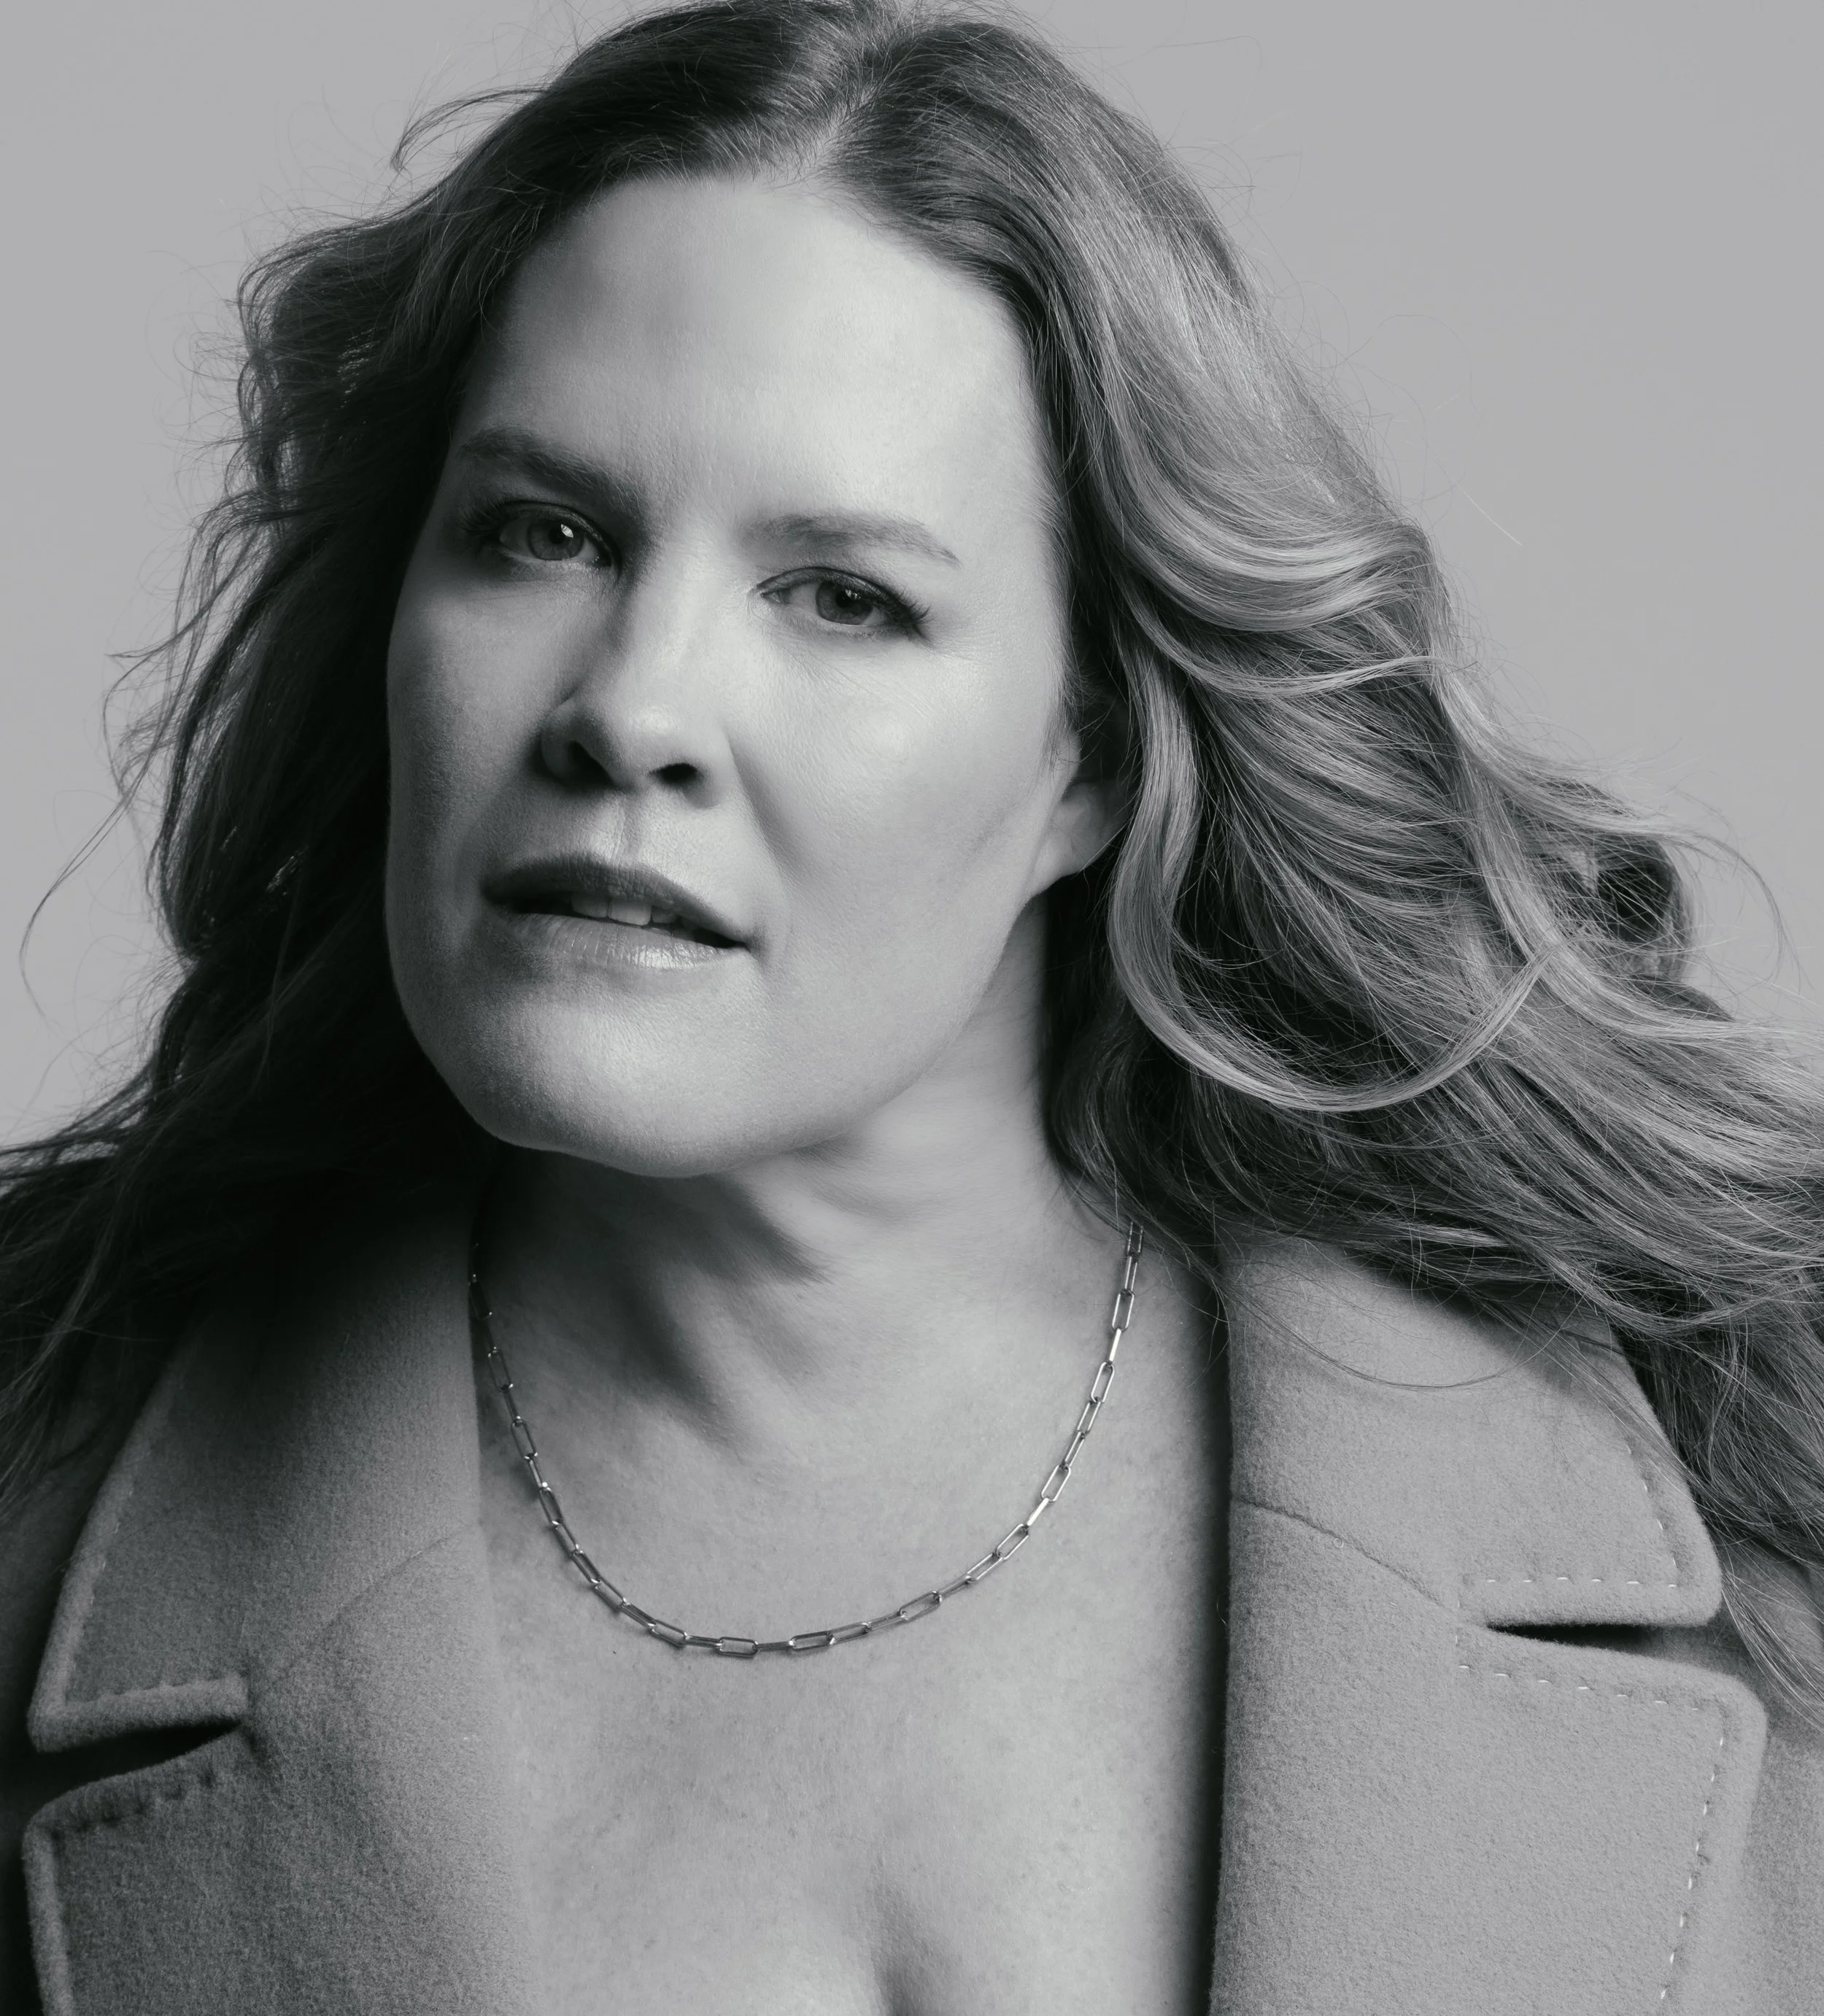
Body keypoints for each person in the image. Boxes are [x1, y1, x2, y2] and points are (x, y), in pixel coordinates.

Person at [3, 1, 1822, 2009]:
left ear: (1093, 759)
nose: (628, 706)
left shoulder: (1738, 1558)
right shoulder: (43, 1501)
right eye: (544, 534)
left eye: (842, 596)